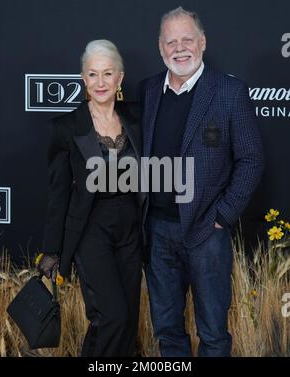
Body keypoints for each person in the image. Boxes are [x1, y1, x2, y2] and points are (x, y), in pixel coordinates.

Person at [140, 7, 264, 357]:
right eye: (171, 41)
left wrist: (222, 216)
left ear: (203, 42)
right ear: (161, 47)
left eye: (187, 39)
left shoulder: (229, 92)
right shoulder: (149, 89)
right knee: (167, 330)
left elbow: (251, 159)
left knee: (212, 333)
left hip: (206, 232)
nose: (180, 48)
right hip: (158, 232)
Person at [37, 40, 143, 357]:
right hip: (89, 228)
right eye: (93, 74)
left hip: (131, 227)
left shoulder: (137, 118)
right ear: (83, 78)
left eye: (107, 74)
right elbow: (58, 193)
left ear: (119, 78)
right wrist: (52, 249)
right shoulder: (66, 127)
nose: (100, 83)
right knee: (111, 316)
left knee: (129, 319)